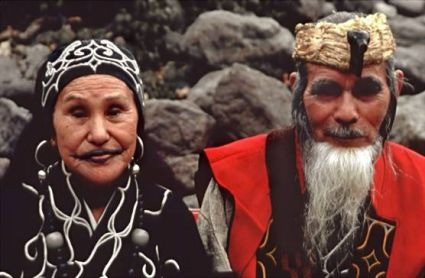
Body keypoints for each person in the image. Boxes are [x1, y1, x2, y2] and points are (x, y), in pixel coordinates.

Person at [195, 12, 425, 277]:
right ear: (296, 90)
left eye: (367, 92)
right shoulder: (234, 180)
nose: (347, 113)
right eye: (327, 91)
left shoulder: (420, 187)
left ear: (395, 88)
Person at [0, 39, 208, 277]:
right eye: (78, 113)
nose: (99, 134)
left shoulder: (167, 214)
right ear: (51, 130)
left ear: (138, 122)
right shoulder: (12, 212)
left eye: (114, 111)